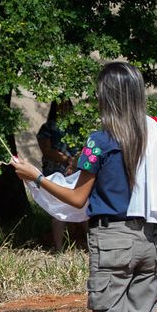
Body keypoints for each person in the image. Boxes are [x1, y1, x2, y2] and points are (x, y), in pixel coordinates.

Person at [12, 62, 157, 312]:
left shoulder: (99, 141)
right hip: (150, 241)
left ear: (107, 96)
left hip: (112, 242)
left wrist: (36, 177)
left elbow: (77, 197)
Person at [37, 100, 88, 251]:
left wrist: (75, 162)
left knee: (83, 207)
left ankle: (89, 244)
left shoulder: (77, 126)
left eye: (67, 104)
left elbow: (85, 147)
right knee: (58, 210)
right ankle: (59, 249)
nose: (64, 107)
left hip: (76, 172)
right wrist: (67, 160)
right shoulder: (48, 127)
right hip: (55, 173)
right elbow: (46, 149)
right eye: (61, 104)